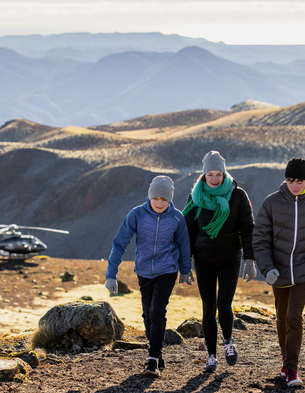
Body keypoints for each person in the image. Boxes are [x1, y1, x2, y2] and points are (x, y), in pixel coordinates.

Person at [252, 157, 305, 387]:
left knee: (293, 316)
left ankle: (291, 370)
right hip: (277, 271)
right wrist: (267, 267)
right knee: (281, 319)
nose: (295, 185)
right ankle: (285, 360)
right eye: (290, 180)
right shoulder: (271, 203)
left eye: (299, 180)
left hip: (304, 269)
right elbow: (259, 239)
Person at [104, 175, 193, 377]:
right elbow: (119, 244)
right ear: (149, 197)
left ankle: (152, 359)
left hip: (167, 270)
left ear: (170, 199)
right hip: (144, 271)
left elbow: (184, 245)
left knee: (157, 311)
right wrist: (111, 274)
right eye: (156, 198)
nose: (159, 202)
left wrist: (185, 270)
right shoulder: (137, 215)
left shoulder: (177, 218)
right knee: (147, 313)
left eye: (164, 199)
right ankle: (157, 351)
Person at [183, 151, 256, 373]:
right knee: (208, 307)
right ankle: (211, 356)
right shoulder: (195, 198)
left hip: (229, 259)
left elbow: (247, 229)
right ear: (203, 176)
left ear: (225, 175)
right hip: (203, 260)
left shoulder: (238, 196)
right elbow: (187, 232)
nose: (214, 179)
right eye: (210, 175)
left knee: (224, 305)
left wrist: (249, 260)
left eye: (219, 174)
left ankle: (228, 342)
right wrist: (185, 264)